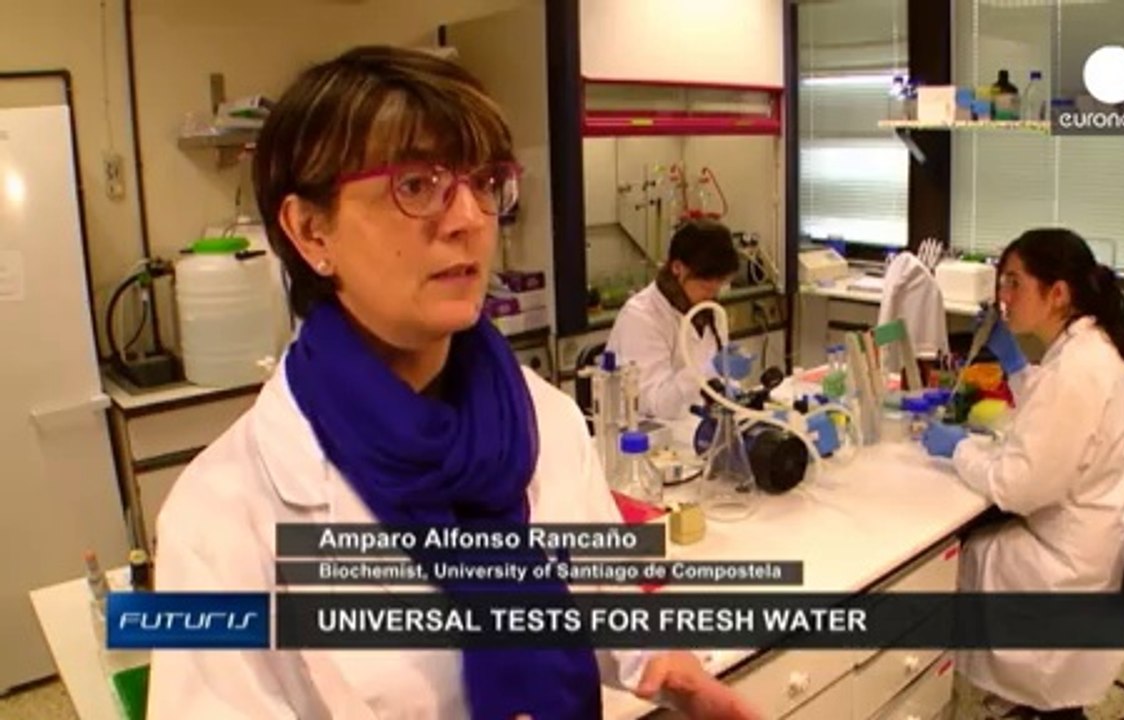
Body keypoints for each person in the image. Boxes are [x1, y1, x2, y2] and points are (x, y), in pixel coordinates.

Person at [146, 46, 758, 720]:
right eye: (416, 184)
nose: (470, 218)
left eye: (485, 182)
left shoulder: (541, 419)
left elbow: (597, 592)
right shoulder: (217, 518)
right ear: (310, 229)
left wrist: (658, 661)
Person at [920, 228, 1124, 718]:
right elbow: (1061, 421)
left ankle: (937, 692)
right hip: (1103, 539)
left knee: (949, 560)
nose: (1001, 298)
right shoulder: (1093, 345)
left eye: (1013, 284)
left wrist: (959, 447)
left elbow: (1017, 487)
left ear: (1058, 294)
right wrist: (1017, 367)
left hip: (1071, 565)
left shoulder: (1079, 367)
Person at [606, 219, 742, 421]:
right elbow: (654, 404)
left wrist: (733, 387)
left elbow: (714, 385)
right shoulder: (641, 317)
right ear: (678, 267)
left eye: (720, 282)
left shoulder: (709, 310)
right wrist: (707, 370)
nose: (713, 291)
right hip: (648, 437)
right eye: (705, 282)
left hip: (694, 427)